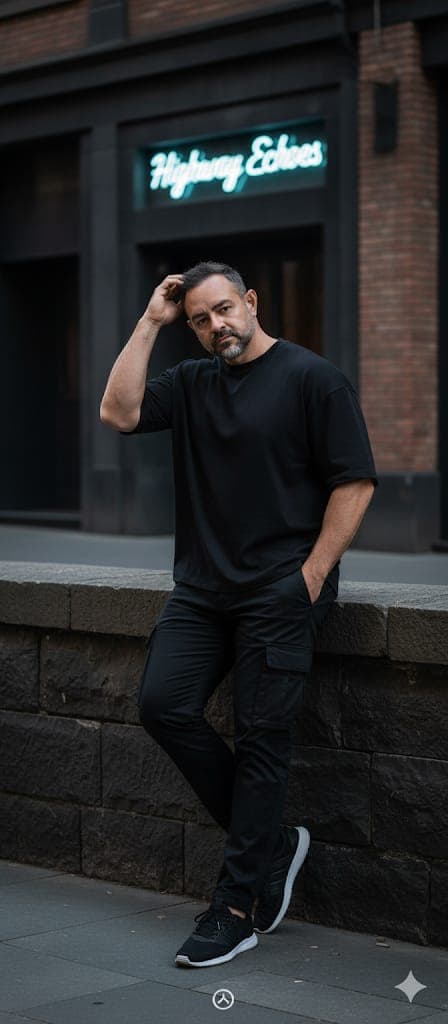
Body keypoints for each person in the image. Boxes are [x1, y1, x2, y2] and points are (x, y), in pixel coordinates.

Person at [100, 261, 377, 969]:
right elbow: (119, 412)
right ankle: (275, 846)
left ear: (250, 302)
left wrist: (310, 579)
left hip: (280, 592)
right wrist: (151, 321)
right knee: (163, 705)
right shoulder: (191, 384)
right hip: (202, 589)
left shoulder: (314, 379)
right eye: (200, 318)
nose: (216, 325)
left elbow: (356, 482)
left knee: (261, 740)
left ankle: (237, 907)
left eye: (224, 309)